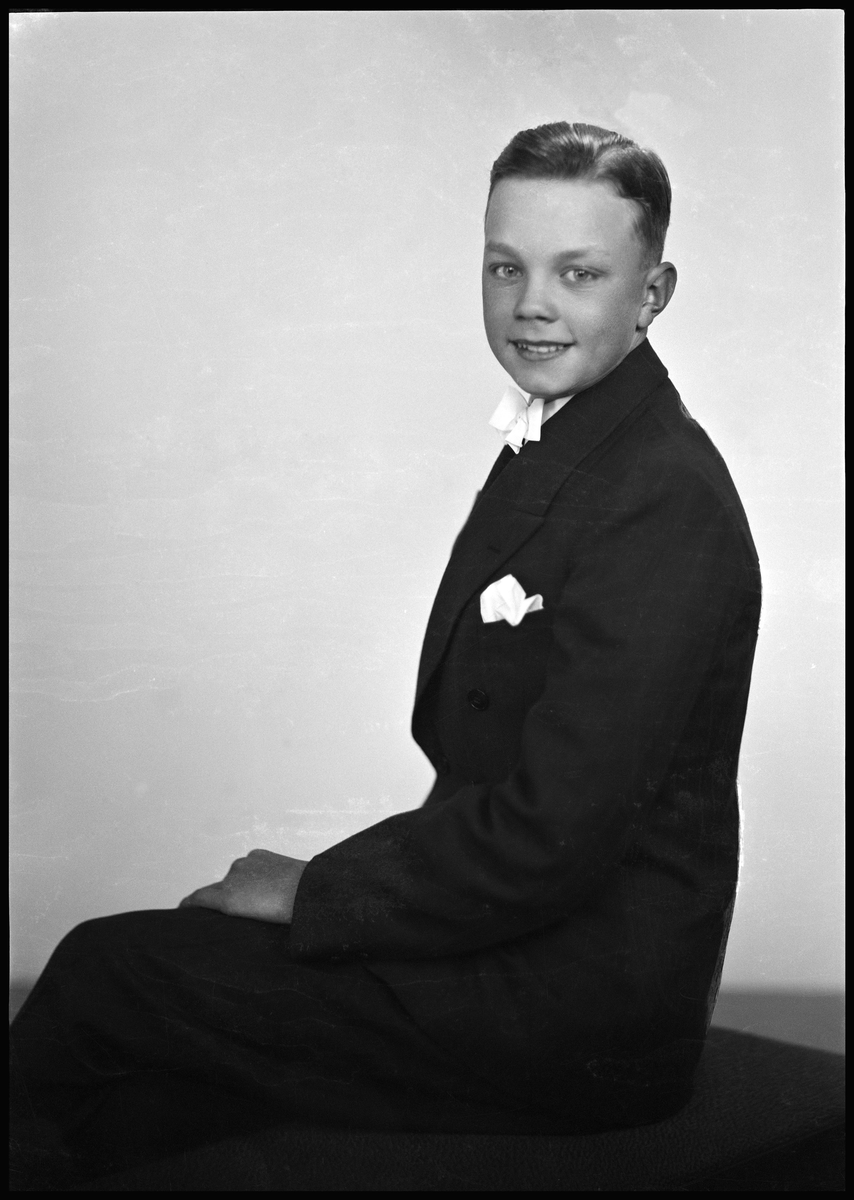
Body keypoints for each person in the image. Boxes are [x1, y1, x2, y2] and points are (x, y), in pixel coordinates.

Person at [10, 122, 761, 1188]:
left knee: (107, 970)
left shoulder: (658, 496)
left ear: (653, 293)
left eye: (579, 273)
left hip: (576, 1005)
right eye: (504, 266)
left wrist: (316, 893)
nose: (531, 303)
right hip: (516, 943)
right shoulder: (575, 440)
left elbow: (550, 838)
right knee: (144, 1104)